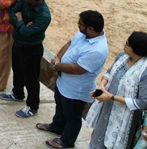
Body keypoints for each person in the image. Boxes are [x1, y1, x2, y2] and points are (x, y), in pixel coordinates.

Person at [37, 10, 108, 149]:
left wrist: (57, 66)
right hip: (63, 83)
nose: (78, 26)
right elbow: (69, 43)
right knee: (60, 107)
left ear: (91, 28)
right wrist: (57, 58)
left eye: (80, 24)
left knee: (72, 117)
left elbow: (78, 69)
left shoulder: (98, 50)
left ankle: (67, 140)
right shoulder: (84, 33)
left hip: (76, 90)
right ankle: (56, 126)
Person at [86, 32, 147, 149]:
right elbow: (109, 72)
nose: (124, 45)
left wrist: (112, 97)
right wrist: (102, 85)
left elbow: (143, 102)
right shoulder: (122, 57)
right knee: (97, 138)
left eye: (127, 44)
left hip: (124, 118)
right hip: (106, 108)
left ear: (136, 49)